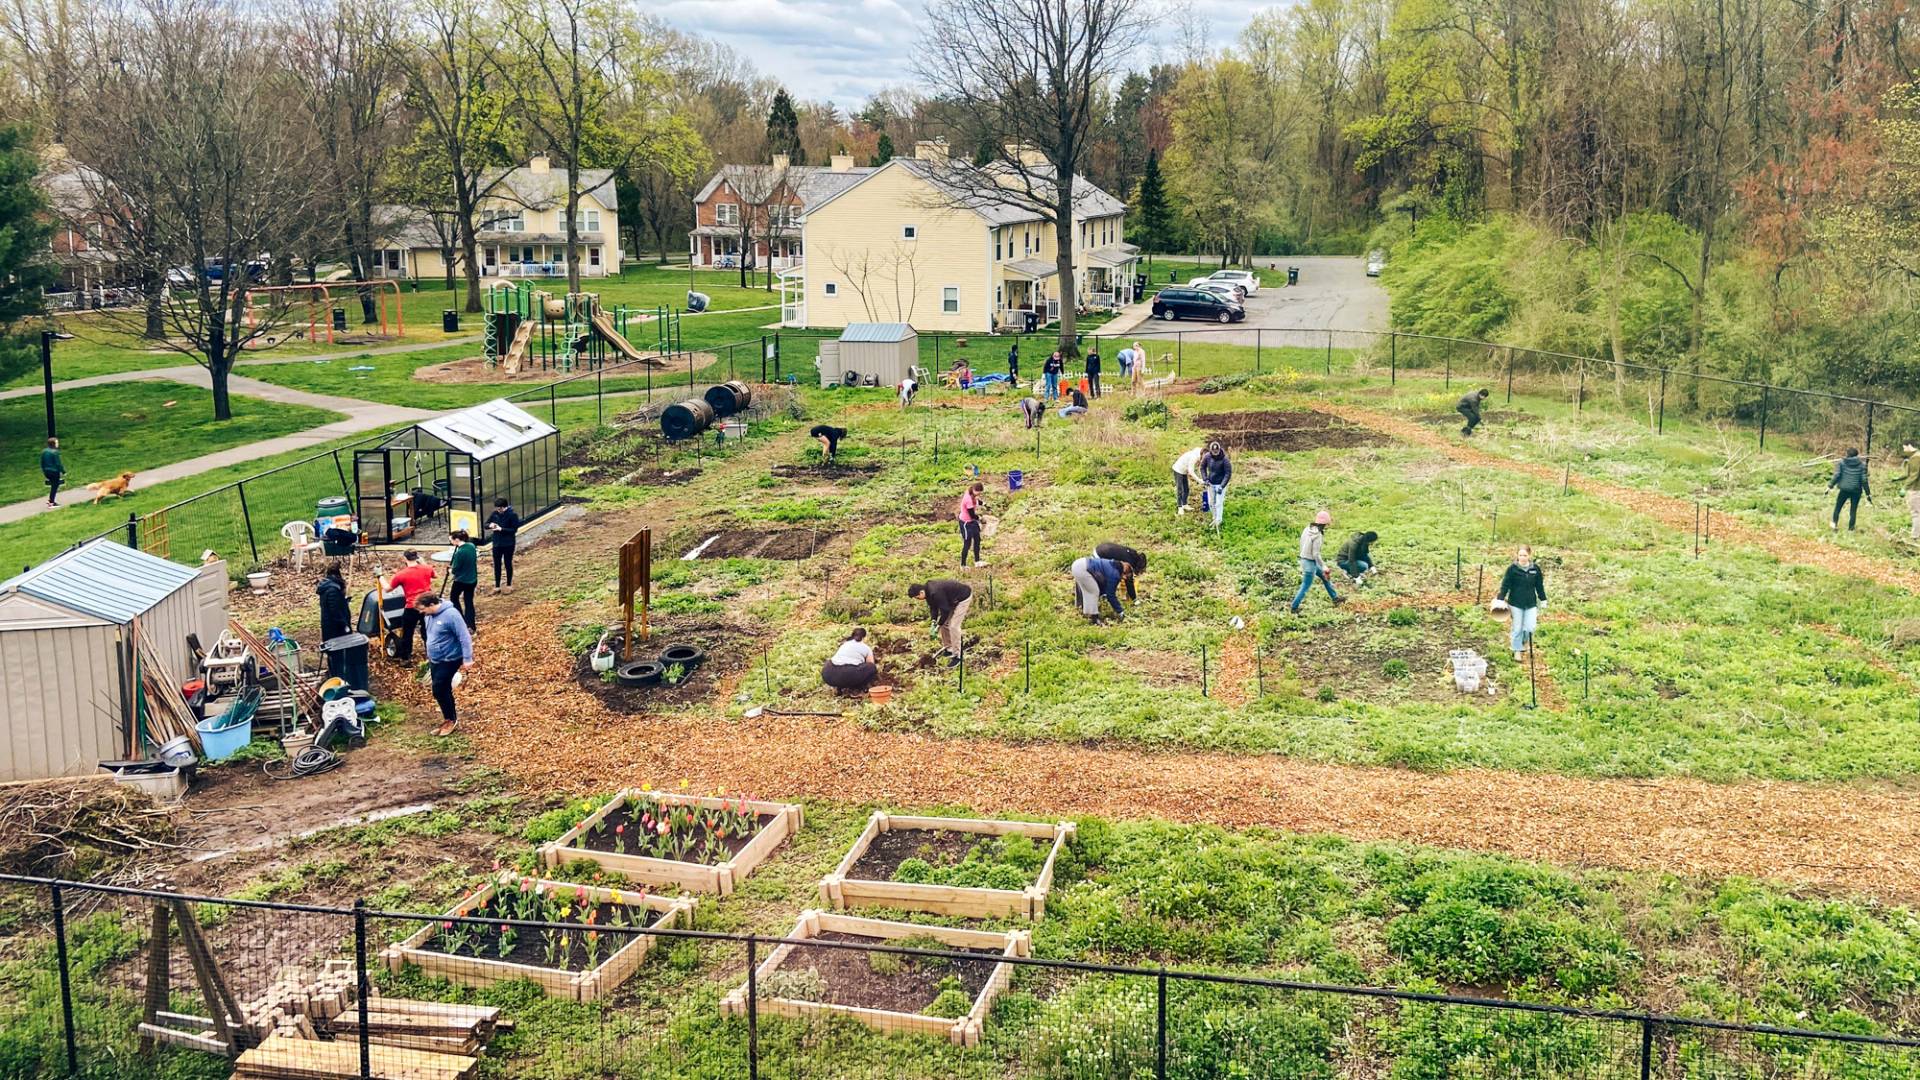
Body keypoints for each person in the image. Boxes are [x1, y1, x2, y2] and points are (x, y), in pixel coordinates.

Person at [416, 592, 473, 736]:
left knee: (439, 689)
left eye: (423, 609)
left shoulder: (451, 615)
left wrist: (467, 659)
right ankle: (448, 718)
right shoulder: (428, 616)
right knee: (440, 690)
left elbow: (464, 637)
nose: (421, 612)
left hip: (450, 658)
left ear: (431, 605)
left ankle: (451, 720)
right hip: (436, 659)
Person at [1496, 545, 1546, 662]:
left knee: (1530, 627)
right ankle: (1517, 650)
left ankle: (1524, 641)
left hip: (1530, 603)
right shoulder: (1512, 569)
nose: (1522, 558)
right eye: (1520, 555)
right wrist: (1500, 598)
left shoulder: (1535, 569)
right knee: (1517, 627)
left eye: (1525, 555)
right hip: (1515, 603)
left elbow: (1539, 586)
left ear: (1529, 555)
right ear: (1517, 556)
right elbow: (1505, 584)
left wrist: (1543, 599)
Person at [908, 579, 972, 666]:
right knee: (944, 624)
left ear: (921, 592)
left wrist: (938, 625)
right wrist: (934, 621)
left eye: (917, 597)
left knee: (953, 626)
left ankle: (958, 656)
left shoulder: (935, 592)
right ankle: (949, 649)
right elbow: (933, 607)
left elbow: (945, 610)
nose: (918, 599)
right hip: (950, 600)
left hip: (963, 598)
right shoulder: (928, 592)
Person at [1291, 510, 1344, 613]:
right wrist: (1323, 566)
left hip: (1304, 559)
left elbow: (1302, 544)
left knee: (1325, 578)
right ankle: (1294, 607)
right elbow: (1316, 554)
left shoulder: (1307, 529)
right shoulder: (1318, 535)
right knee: (1305, 586)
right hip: (1310, 563)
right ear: (1325, 524)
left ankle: (1335, 598)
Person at [387, 550, 436, 661]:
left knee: (408, 633)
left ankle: (405, 658)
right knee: (427, 630)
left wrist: (379, 577)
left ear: (405, 559)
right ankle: (431, 654)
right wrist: (424, 564)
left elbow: (388, 589)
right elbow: (435, 576)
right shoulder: (427, 568)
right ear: (417, 557)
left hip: (412, 606)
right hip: (427, 605)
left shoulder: (401, 574)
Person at [1070, 555, 1126, 621]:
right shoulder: (1114, 575)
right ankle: (1093, 618)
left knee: (1087, 587)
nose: (1124, 578)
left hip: (1079, 563)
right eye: (1125, 576)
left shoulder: (1112, 565)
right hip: (1083, 568)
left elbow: (1103, 587)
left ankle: (1079, 607)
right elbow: (1110, 595)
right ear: (1123, 573)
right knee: (1093, 591)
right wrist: (1120, 611)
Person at [1828, 447, 1871, 531]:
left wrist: (1830, 486)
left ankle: (1834, 525)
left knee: (1838, 507)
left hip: (1844, 489)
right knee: (1853, 510)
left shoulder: (1842, 463)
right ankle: (1851, 529)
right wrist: (1868, 493)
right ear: (1857, 455)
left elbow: (1837, 475)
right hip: (1856, 490)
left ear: (1847, 454)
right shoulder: (1862, 465)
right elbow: (1864, 480)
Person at [486, 496, 520, 592]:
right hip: (497, 543)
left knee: (507, 563)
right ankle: (497, 585)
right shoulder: (495, 514)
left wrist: (501, 529)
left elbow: (514, 529)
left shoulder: (512, 515)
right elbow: (486, 524)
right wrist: (490, 525)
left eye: (500, 508)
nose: (498, 510)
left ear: (505, 507)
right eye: (497, 508)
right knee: (497, 564)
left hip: (508, 543)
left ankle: (509, 584)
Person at [448, 530, 479, 629]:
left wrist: (450, 570)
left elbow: (455, 569)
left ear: (456, 540)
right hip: (472, 579)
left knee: (454, 598)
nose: (451, 542)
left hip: (461, 581)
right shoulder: (471, 546)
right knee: (468, 601)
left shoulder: (460, 553)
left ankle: (460, 619)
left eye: (451, 540)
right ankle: (471, 624)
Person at [1198, 441, 1231, 529]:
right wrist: (1205, 479)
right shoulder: (1207, 457)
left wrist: (1222, 485)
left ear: (1219, 450)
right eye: (1214, 451)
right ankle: (1214, 517)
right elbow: (1202, 467)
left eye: (1217, 451)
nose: (1216, 453)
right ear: (1211, 451)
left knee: (1219, 503)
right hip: (1211, 484)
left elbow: (1228, 473)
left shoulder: (1225, 459)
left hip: (1220, 484)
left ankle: (1219, 520)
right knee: (1211, 503)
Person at [316, 564, 351, 641]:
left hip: (331, 627)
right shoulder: (333, 590)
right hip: (335, 630)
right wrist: (344, 625)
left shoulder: (328, 586)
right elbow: (335, 611)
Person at [957, 482, 986, 567]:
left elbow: (976, 501)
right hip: (966, 523)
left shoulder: (971, 493)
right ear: (974, 490)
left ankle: (977, 561)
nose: (979, 494)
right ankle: (963, 565)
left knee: (977, 540)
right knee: (967, 543)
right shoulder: (968, 500)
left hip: (972, 522)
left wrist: (984, 504)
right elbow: (972, 515)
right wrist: (980, 519)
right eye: (978, 493)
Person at [1171, 445, 1205, 514]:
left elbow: (1199, 468)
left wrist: (1203, 477)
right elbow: (1191, 471)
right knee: (1180, 489)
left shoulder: (1199, 455)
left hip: (1184, 471)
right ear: (1202, 454)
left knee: (1186, 489)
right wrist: (1199, 480)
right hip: (1178, 470)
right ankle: (1180, 507)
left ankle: (1184, 504)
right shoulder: (1193, 457)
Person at [1898, 443, 1920, 539]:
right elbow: (1909, 473)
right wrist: (1899, 478)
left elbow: (1914, 475)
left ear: (1909, 445)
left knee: (1916, 513)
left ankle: (1915, 536)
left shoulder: (1916, 457)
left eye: (1904, 447)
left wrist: (1905, 487)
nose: (1904, 450)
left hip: (1915, 489)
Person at [39, 437, 64, 507]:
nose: (58, 444)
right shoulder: (55, 452)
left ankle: (50, 500)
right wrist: (63, 471)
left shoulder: (44, 451)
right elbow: (58, 463)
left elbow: (42, 462)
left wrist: (44, 470)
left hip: (47, 471)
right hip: (54, 471)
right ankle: (51, 502)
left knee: (53, 485)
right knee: (55, 486)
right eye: (57, 442)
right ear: (54, 444)